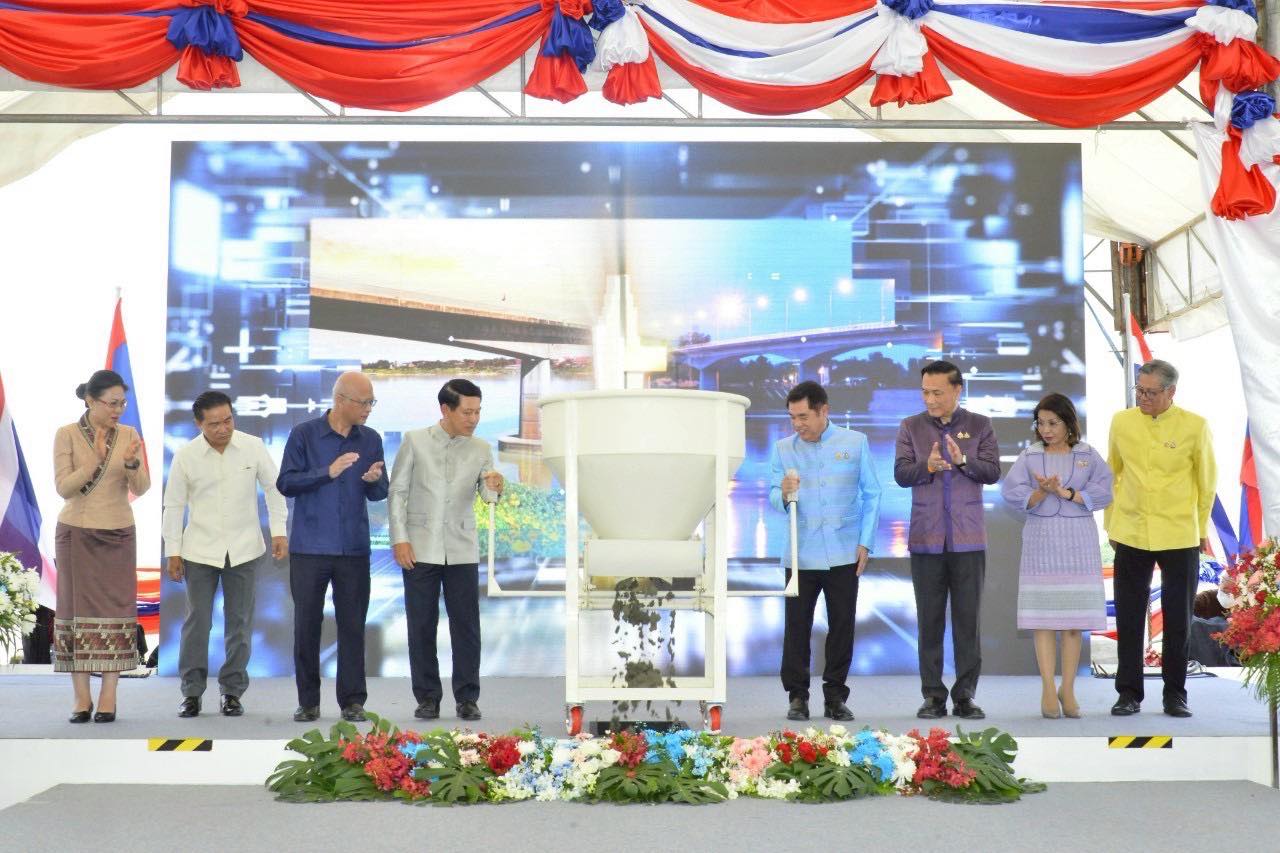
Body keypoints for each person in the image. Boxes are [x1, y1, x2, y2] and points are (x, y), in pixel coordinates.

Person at [163, 391, 288, 718]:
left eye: (228, 420)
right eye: (214, 424)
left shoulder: (253, 446)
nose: (223, 429)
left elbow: (275, 489)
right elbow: (173, 506)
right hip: (199, 551)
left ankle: (232, 691)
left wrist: (279, 531)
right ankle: (191, 692)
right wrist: (172, 551)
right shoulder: (186, 456)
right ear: (199, 424)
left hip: (245, 548)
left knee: (240, 622)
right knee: (197, 622)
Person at [1106, 359, 1215, 718]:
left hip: (1179, 533)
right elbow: (1111, 473)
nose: (1143, 397)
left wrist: (1200, 530)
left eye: (1150, 392)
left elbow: (1206, 483)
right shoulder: (1122, 422)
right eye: (1139, 390)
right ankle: (1128, 693)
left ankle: (1175, 694)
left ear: (1171, 392)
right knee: (1129, 616)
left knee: (1178, 618)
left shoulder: (1195, 426)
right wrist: (1112, 525)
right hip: (1131, 531)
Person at [389, 379, 503, 722]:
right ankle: (427, 698)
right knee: (421, 626)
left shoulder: (481, 448)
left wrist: (496, 487)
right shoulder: (415, 440)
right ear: (446, 409)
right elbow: (397, 492)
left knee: (466, 627)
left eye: (478, 412)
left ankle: (467, 698)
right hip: (419, 547)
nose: (474, 419)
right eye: (467, 412)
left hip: (462, 548)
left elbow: (488, 495)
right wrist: (399, 538)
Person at [277, 372, 388, 723]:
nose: (368, 409)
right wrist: (327, 471)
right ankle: (308, 701)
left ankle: (352, 701)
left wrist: (374, 481)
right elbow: (286, 482)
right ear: (340, 400)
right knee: (306, 625)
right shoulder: (304, 434)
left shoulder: (371, 439)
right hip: (310, 548)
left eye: (371, 402)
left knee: (353, 626)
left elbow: (380, 492)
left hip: (353, 548)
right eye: (363, 402)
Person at [769, 381, 881, 722]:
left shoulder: (855, 442)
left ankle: (835, 696)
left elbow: (872, 494)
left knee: (842, 625)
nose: (797, 424)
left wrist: (866, 541)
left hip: (844, 552)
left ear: (823, 411)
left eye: (803, 416)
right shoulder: (783, 449)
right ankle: (797, 696)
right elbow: (773, 497)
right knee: (796, 627)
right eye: (792, 418)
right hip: (800, 553)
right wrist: (783, 492)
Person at [894, 360, 1000, 720]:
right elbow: (901, 474)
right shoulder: (910, 426)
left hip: (968, 538)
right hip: (926, 537)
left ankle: (965, 695)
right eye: (925, 392)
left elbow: (992, 471)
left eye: (937, 392)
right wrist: (928, 466)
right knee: (929, 621)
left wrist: (962, 460)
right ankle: (933, 695)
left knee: (968, 621)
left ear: (957, 390)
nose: (930, 399)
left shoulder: (980, 425)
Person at [1000, 393, 1112, 718]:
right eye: (1041, 423)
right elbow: (1011, 491)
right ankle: (1049, 688)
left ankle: (1069, 688)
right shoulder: (1030, 455)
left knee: (1074, 624)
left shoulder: (1088, 454)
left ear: (1068, 423)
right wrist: (1040, 492)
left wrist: (1068, 493)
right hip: (1042, 542)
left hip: (1079, 543)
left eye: (1053, 423)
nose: (1046, 430)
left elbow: (1105, 491)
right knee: (1044, 621)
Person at [52, 369, 150, 723]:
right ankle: (81, 698)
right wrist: (94, 460)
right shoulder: (66, 434)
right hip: (76, 531)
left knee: (116, 612)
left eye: (122, 403)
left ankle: (109, 695)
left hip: (118, 531)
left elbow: (142, 486)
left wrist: (131, 463)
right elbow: (64, 488)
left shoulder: (129, 434)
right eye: (111, 403)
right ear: (90, 401)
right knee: (75, 612)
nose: (118, 410)